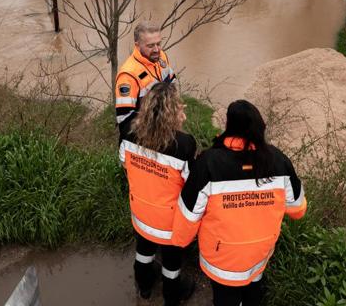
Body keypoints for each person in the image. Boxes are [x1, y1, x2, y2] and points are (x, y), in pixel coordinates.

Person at [171, 100, 307, 306]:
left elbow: (188, 215)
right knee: (254, 290)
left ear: (229, 125)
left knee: (226, 299)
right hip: (259, 254)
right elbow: (297, 210)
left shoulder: (209, 162)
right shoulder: (278, 160)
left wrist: (180, 242)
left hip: (222, 260)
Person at [119, 81, 197, 305]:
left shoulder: (128, 133)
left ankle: (144, 287)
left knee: (143, 250)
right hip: (169, 222)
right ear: (174, 111)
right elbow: (190, 184)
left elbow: (125, 164)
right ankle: (173, 296)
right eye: (179, 106)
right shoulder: (183, 144)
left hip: (141, 213)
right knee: (172, 262)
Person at [115, 21, 176, 138]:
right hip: (142, 139)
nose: (156, 49)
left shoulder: (161, 56)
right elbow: (124, 122)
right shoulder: (128, 75)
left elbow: (172, 84)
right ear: (137, 45)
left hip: (166, 130)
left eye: (159, 44)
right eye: (150, 46)